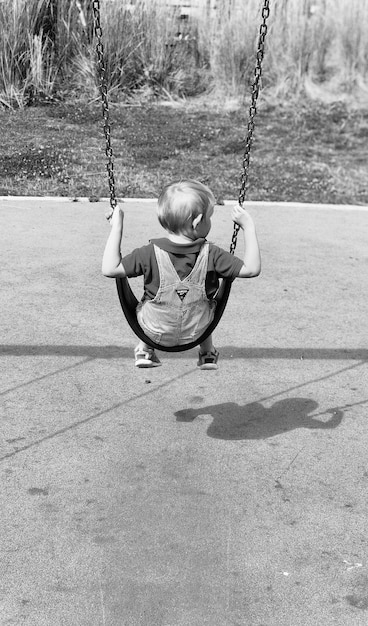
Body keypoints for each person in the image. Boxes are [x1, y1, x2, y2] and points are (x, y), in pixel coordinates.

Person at [102, 179, 261, 370]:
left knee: (151, 304)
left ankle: (145, 349)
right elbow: (252, 269)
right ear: (197, 222)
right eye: (209, 218)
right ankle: (207, 352)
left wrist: (116, 226)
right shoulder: (213, 254)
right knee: (205, 303)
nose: (210, 222)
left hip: (152, 330)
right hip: (197, 331)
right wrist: (249, 227)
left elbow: (110, 269)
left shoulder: (149, 253)